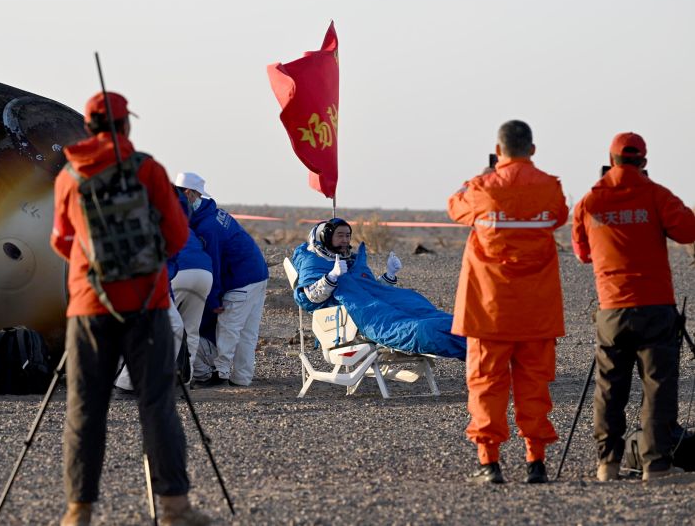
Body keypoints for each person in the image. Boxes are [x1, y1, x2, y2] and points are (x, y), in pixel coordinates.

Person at [50, 92, 210, 526]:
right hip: (148, 305)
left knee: (85, 408)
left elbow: (60, 241)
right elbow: (177, 236)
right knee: (157, 405)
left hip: (88, 305)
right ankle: (175, 508)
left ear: (88, 127)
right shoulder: (148, 170)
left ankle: (77, 512)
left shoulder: (69, 175)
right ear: (126, 126)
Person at [448, 120, 568, 485]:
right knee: (535, 387)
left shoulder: (482, 188)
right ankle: (536, 462)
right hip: (536, 312)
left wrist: (479, 178)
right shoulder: (550, 188)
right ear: (532, 150)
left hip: (488, 311)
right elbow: (560, 216)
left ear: (498, 152)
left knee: (486, 386)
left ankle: (490, 464)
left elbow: (455, 208)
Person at [571, 132, 695, 482]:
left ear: (611, 160)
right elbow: (687, 230)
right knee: (658, 387)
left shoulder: (589, 201)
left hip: (612, 309)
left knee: (609, 388)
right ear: (642, 161)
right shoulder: (656, 195)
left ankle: (607, 464)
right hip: (655, 307)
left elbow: (582, 254)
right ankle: (656, 465)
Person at [291, 219, 466, 359]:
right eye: (340, 236)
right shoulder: (313, 262)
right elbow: (310, 298)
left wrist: (389, 275)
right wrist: (331, 277)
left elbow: (370, 291)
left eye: (347, 236)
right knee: (425, 329)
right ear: (325, 236)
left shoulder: (352, 261)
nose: (345, 240)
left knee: (444, 320)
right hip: (359, 317)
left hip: (377, 305)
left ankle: (480, 343)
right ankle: (476, 350)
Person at [175, 172, 269, 387]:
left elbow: (213, 263)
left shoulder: (207, 226)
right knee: (247, 332)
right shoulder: (215, 214)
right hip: (257, 274)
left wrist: (214, 300)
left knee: (229, 327)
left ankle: (220, 374)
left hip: (241, 280)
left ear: (189, 194)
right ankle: (242, 378)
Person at [169, 190, 214, 384]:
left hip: (180, 272)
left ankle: (160, 378)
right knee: (191, 329)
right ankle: (185, 381)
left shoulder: (156, 222)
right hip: (205, 273)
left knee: (165, 325)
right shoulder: (186, 226)